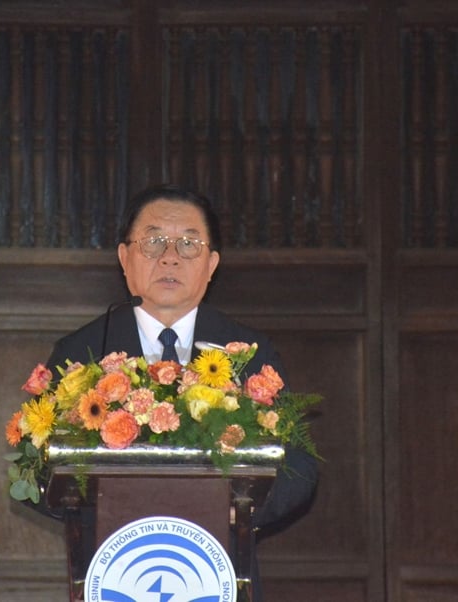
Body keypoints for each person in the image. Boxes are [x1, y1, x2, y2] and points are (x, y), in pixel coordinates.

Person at [39, 184, 318, 600]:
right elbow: (35, 465)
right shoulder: (82, 353)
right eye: (153, 242)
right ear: (124, 258)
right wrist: (103, 511)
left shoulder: (249, 355)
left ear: (212, 265)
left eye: (189, 243)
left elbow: (299, 468)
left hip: (219, 569)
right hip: (115, 573)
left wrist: (235, 514)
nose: (169, 256)